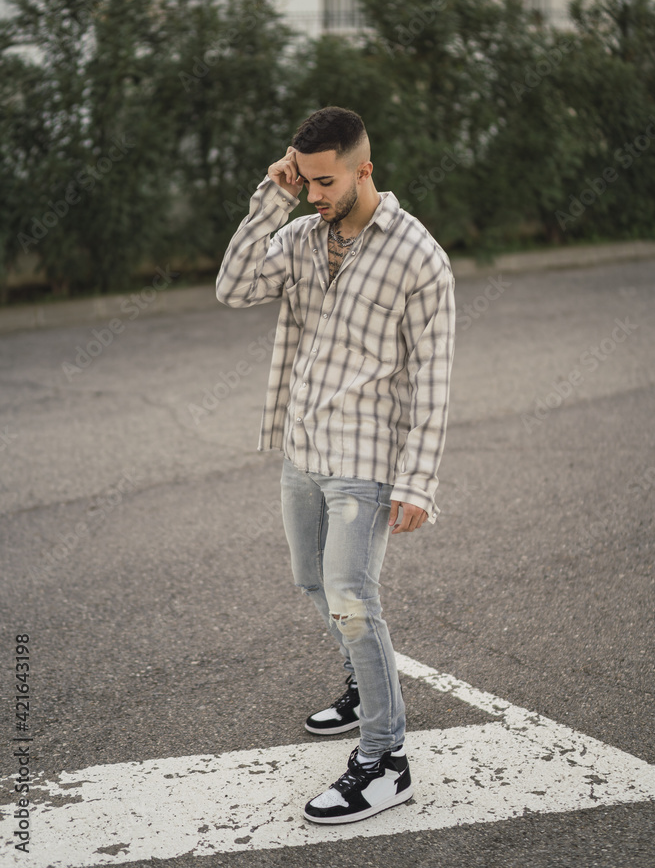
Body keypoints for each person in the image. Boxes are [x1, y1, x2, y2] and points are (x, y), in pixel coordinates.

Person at [215, 106, 455, 824]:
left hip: (364, 456)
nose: (315, 194)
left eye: (325, 181)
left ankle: (385, 760)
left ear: (363, 169)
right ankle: (361, 686)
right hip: (303, 446)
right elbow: (232, 287)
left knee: (351, 597)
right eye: (306, 181)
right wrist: (271, 194)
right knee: (309, 580)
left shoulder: (418, 257)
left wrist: (417, 480)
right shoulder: (300, 233)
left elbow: (434, 377)